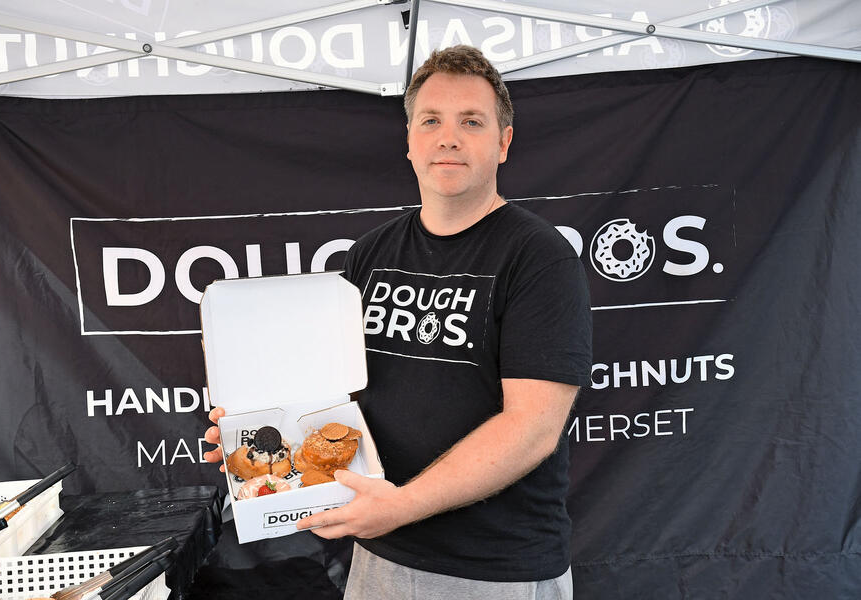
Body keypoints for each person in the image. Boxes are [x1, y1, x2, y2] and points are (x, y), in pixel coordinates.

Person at [205, 45, 592, 599]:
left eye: (472, 122)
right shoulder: (369, 255)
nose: (448, 137)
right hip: (379, 555)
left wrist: (403, 506)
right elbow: (326, 398)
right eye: (430, 120)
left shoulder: (538, 258)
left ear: (503, 143)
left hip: (496, 570)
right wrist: (261, 437)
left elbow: (532, 429)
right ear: (409, 140)